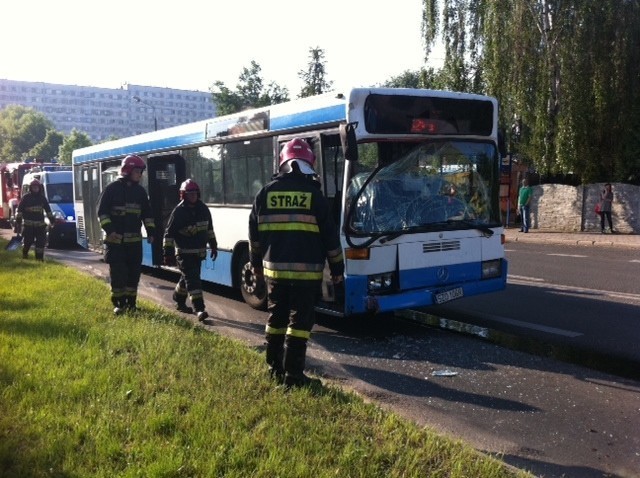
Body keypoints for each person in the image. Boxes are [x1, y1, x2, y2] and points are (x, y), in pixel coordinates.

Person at [249, 138, 344, 389]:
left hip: (274, 275)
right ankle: (294, 376)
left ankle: (274, 370)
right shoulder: (315, 196)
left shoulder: (264, 193)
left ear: (283, 163)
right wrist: (337, 271)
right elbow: (331, 240)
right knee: (299, 326)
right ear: (309, 164)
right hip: (306, 276)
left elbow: (254, 238)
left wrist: (256, 266)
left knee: (276, 320)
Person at [97, 155, 156, 315]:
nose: (140, 174)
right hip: (116, 243)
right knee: (118, 274)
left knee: (133, 275)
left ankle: (131, 304)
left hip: (134, 244)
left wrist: (151, 232)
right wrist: (111, 231)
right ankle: (119, 304)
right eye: (137, 171)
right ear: (128, 171)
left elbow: (147, 214)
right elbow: (102, 213)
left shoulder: (140, 192)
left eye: (140, 172)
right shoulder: (112, 189)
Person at [163, 179, 218, 322]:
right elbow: (168, 235)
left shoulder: (203, 209)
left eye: (194, 193)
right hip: (184, 254)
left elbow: (209, 230)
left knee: (186, 279)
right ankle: (199, 309)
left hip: (198, 254)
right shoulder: (178, 211)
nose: (193, 196)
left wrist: (213, 245)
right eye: (189, 193)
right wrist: (167, 254)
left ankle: (178, 299)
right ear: (183, 195)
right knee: (194, 282)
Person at [14, 179, 55, 261]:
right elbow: (20, 210)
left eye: (37, 187)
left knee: (40, 243)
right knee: (28, 242)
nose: (35, 189)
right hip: (28, 226)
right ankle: (25, 255)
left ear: (39, 188)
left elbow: (48, 210)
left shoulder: (42, 198)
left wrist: (52, 220)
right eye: (34, 187)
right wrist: (18, 221)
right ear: (30, 188)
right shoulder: (26, 198)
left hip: (40, 226)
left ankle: (39, 259)